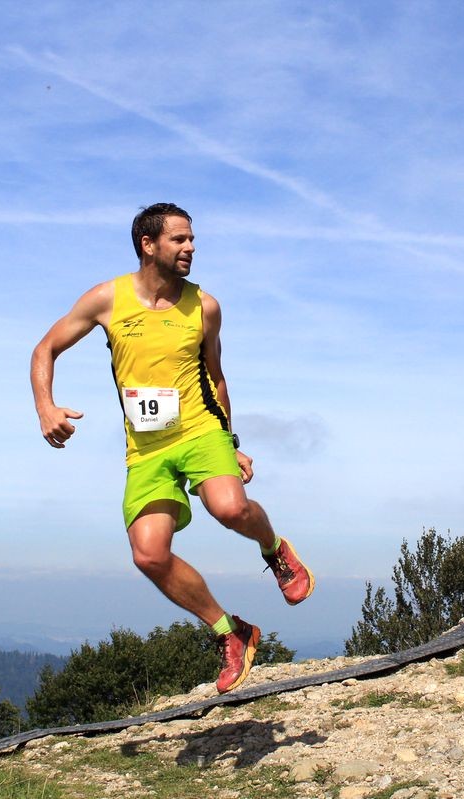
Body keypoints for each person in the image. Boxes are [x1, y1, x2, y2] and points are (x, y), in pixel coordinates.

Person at [30, 203, 315, 694]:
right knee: (149, 555)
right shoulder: (106, 299)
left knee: (229, 508)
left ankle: (275, 551)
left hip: (199, 430)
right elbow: (45, 349)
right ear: (149, 245)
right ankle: (232, 632)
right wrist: (46, 407)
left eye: (192, 239)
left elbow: (217, 377)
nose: (191, 247)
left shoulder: (205, 307)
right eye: (179, 240)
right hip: (146, 447)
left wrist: (231, 442)